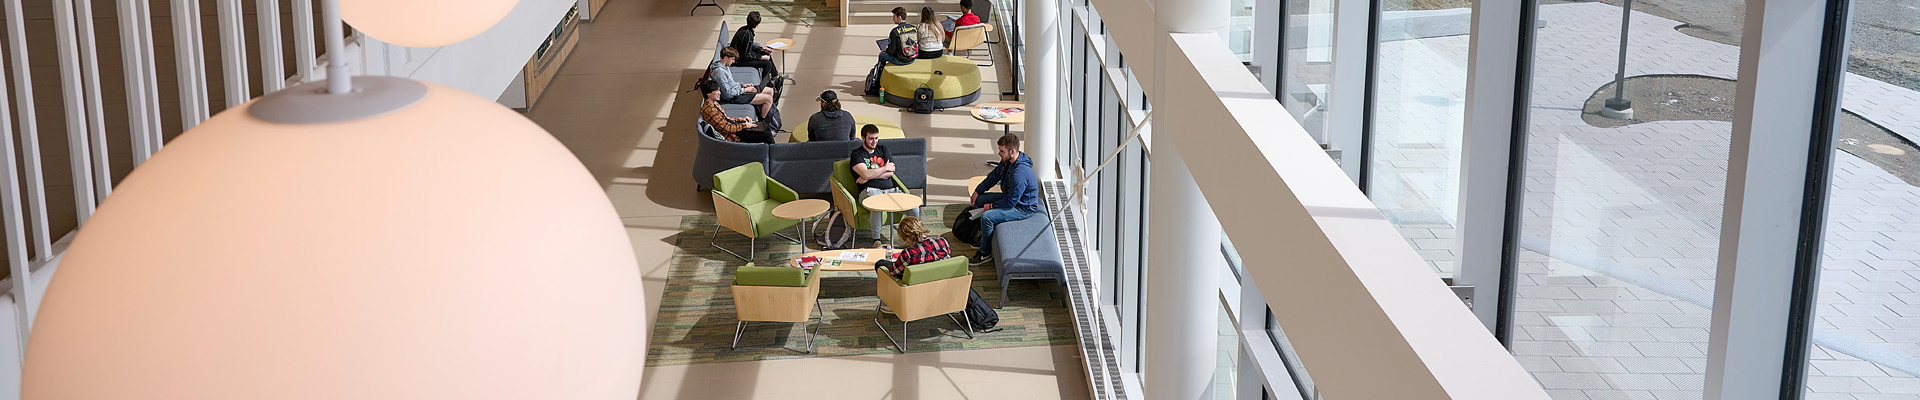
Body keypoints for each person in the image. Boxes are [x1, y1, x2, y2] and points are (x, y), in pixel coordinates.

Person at [968, 133, 1040, 265]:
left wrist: (990, 206)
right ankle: (983, 236)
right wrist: (978, 191)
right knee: (979, 201)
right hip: (1010, 198)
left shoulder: (1020, 174)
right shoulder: (1008, 162)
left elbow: (1010, 203)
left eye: (1002, 151)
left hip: (1022, 207)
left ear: (1012, 151)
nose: (999, 153)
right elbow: (994, 176)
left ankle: (985, 253)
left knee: (987, 217)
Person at [851, 124, 919, 244]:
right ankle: (876, 240)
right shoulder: (857, 154)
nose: (874, 142)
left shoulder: (883, 149)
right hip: (869, 191)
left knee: (914, 207)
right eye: (871, 138)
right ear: (863, 138)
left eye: (876, 138)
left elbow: (891, 172)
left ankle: (913, 238)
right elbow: (866, 173)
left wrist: (870, 176)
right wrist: (884, 168)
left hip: (891, 190)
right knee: (877, 206)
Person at [711, 48, 777, 120]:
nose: (733, 62)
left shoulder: (725, 66)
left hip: (738, 90)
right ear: (726, 58)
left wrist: (742, 85)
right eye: (732, 59)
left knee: (770, 91)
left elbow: (731, 83)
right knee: (768, 99)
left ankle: (764, 110)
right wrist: (745, 90)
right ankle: (762, 121)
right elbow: (728, 93)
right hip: (733, 97)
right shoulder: (720, 72)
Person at [874, 217, 951, 278]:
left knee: (880, 263)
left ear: (907, 238)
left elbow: (894, 271)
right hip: (939, 279)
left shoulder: (909, 253)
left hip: (916, 284)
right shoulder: (942, 242)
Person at [699, 80, 771, 143]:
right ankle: (775, 154)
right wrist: (745, 125)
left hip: (734, 128)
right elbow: (727, 128)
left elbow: (726, 119)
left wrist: (741, 120)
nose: (719, 93)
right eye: (717, 91)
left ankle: (771, 152)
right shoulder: (710, 111)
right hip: (733, 136)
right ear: (708, 93)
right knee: (767, 135)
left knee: (765, 127)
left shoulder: (714, 103)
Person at [729, 11, 780, 80]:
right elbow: (746, 56)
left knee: (766, 53)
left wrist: (762, 49)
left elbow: (748, 46)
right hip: (739, 60)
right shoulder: (748, 35)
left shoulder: (743, 29)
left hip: (741, 54)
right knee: (767, 64)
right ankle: (765, 84)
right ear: (757, 25)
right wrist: (761, 57)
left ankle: (774, 75)